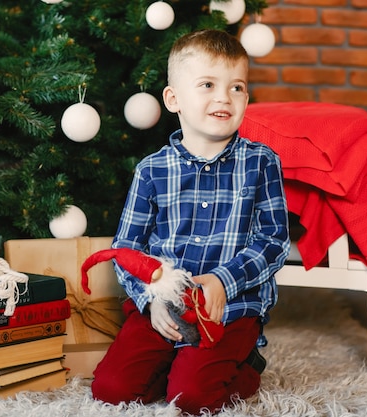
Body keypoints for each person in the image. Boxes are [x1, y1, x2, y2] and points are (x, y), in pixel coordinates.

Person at [91, 29, 290, 415]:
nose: (223, 97)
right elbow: (126, 250)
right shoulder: (152, 171)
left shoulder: (261, 162)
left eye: (237, 88)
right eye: (208, 85)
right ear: (174, 98)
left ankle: (244, 364)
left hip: (228, 309)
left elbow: (274, 242)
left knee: (191, 399)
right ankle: (174, 357)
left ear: (247, 97)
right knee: (111, 391)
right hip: (166, 306)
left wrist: (222, 280)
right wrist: (151, 302)